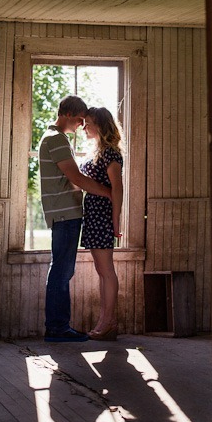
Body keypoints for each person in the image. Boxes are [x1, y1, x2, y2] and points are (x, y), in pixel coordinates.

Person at [39, 95, 112, 342]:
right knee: (61, 271)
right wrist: (108, 193)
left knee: (60, 270)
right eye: (80, 119)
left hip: (63, 213)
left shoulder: (54, 138)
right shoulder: (57, 139)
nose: (82, 125)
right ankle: (58, 329)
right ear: (68, 115)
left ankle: (57, 327)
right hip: (65, 214)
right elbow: (76, 178)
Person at [80, 107, 124, 341]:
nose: (84, 127)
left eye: (88, 123)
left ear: (99, 125)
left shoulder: (111, 153)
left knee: (106, 271)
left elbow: (117, 188)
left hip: (103, 216)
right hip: (94, 216)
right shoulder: (96, 152)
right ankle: (106, 321)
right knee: (102, 271)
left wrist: (115, 221)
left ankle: (108, 322)